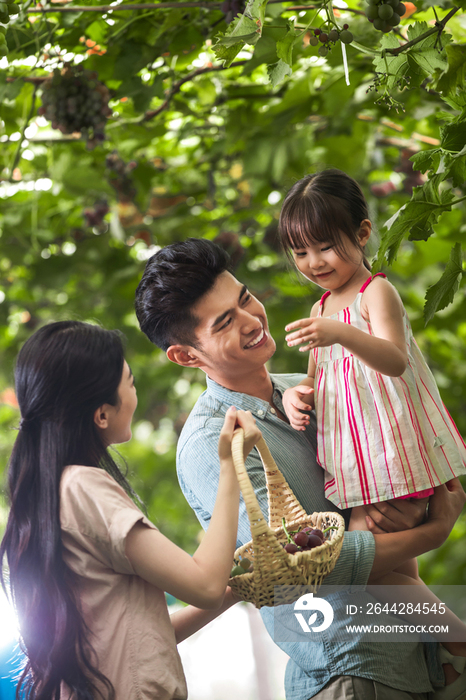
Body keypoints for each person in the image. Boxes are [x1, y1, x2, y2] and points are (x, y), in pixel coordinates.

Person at [135, 237, 466, 700]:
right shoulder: (211, 444)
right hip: (349, 668)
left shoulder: (309, 387)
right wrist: (432, 534)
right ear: (187, 355)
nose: (253, 320)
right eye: (226, 322)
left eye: (245, 298)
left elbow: (392, 457)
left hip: (415, 657)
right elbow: (296, 570)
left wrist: (423, 506)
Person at [0, 320, 261, 700]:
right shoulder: (84, 486)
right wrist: (230, 466)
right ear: (101, 414)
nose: (135, 392)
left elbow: (145, 638)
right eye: (131, 381)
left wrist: (238, 588)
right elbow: (203, 584)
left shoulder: (51, 494)